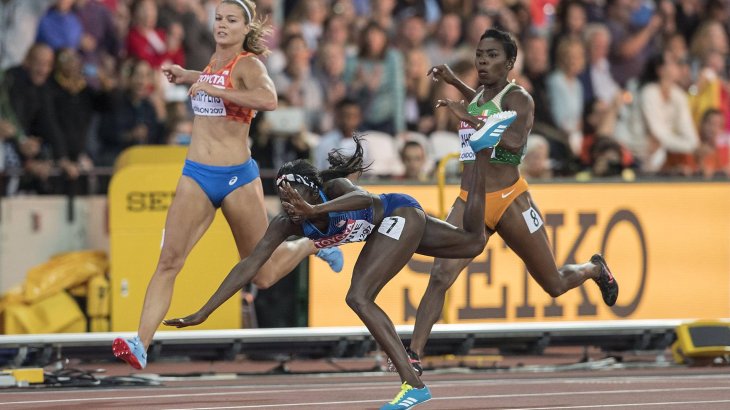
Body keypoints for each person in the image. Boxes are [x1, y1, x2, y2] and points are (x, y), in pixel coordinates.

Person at [163, 134, 494, 409]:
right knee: (472, 242)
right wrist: (205, 311)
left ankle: (412, 382)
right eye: (281, 197)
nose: (288, 203)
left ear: (310, 187)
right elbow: (250, 264)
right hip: (390, 228)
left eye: (292, 194)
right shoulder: (287, 222)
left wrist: (315, 208)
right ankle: (482, 154)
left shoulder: (333, 188)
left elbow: (363, 199)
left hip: (399, 213)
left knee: (359, 296)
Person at [112, 0, 343, 371]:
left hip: (237, 178)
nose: (222, 25)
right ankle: (141, 341)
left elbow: (268, 99)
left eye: (231, 20)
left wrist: (216, 91)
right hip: (196, 175)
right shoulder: (213, 62)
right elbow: (213, 83)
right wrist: (188, 76)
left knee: (264, 275)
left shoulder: (249, 64)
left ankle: (314, 244)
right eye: (218, 18)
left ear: (245, 28)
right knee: (169, 260)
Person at [407, 28, 619, 372]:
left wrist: (470, 118)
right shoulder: (479, 93)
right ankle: (413, 354)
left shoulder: (520, 98)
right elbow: (481, 103)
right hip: (469, 198)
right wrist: (453, 82)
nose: (482, 61)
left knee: (553, 284)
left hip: (508, 199)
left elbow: (515, 141)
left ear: (510, 62)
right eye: (479, 54)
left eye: (491, 56)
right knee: (440, 277)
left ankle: (594, 268)